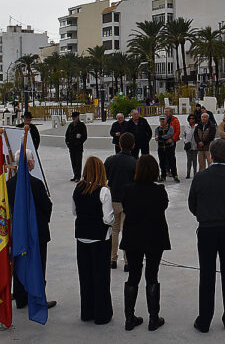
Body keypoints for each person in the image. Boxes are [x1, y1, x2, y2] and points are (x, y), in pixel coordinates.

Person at [188, 139, 225, 333]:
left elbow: (192, 205)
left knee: (207, 274)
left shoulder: (200, 177)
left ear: (211, 155)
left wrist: (205, 215)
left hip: (207, 229)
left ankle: (204, 320)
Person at [120, 155, 171, 331]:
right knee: (152, 274)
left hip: (133, 237)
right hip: (154, 237)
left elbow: (126, 208)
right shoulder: (159, 191)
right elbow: (163, 206)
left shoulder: (128, 190)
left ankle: (129, 318)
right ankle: (153, 318)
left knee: (133, 275)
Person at [7, 149, 56, 309]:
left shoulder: (9, 185)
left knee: (20, 263)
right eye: (33, 159)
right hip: (37, 232)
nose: (34, 161)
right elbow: (46, 206)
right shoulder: (35, 183)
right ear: (28, 163)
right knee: (38, 265)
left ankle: (21, 297)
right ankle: (38, 297)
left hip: (19, 231)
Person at [73, 156, 115, 325]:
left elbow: (74, 211)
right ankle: (102, 314)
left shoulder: (77, 188)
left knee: (85, 276)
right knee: (101, 277)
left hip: (82, 236)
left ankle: (87, 311)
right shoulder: (104, 191)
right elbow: (108, 218)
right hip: (100, 238)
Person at [104, 132, 137, 271]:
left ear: (119, 144)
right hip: (128, 201)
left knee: (114, 230)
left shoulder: (110, 160)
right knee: (127, 231)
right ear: (133, 146)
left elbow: (104, 178)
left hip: (113, 199)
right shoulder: (135, 162)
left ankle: (112, 259)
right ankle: (128, 261)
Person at [155, 116, 179, 182]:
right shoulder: (157, 128)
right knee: (162, 163)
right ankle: (163, 176)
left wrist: (160, 138)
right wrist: (162, 138)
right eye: (161, 119)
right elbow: (156, 136)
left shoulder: (170, 127)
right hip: (161, 148)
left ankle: (175, 176)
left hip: (169, 148)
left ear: (166, 120)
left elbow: (168, 135)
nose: (162, 121)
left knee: (172, 162)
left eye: (163, 119)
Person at [65, 111, 88, 182]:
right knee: (73, 162)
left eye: (75, 117)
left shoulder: (81, 125)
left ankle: (78, 176)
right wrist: (68, 143)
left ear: (78, 117)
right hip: (71, 147)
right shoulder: (71, 125)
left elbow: (84, 136)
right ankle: (75, 175)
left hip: (78, 147)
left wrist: (79, 142)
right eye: (73, 117)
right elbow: (67, 135)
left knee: (78, 162)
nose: (73, 118)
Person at [182, 114, 199, 179]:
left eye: (193, 118)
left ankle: (195, 174)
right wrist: (185, 141)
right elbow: (183, 135)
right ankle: (188, 174)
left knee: (195, 160)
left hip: (195, 145)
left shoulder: (197, 126)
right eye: (190, 118)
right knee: (189, 160)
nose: (191, 119)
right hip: (188, 146)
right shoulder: (186, 126)